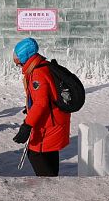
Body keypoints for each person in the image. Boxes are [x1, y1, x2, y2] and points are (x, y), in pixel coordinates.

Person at [11, 38, 70, 177]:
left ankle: (49, 188)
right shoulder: (42, 66)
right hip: (53, 120)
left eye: (18, 63)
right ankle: (52, 181)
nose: (19, 66)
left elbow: (41, 103)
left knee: (35, 153)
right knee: (49, 153)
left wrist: (27, 125)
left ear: (25, 58)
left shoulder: (38, 73)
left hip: (49, 123)